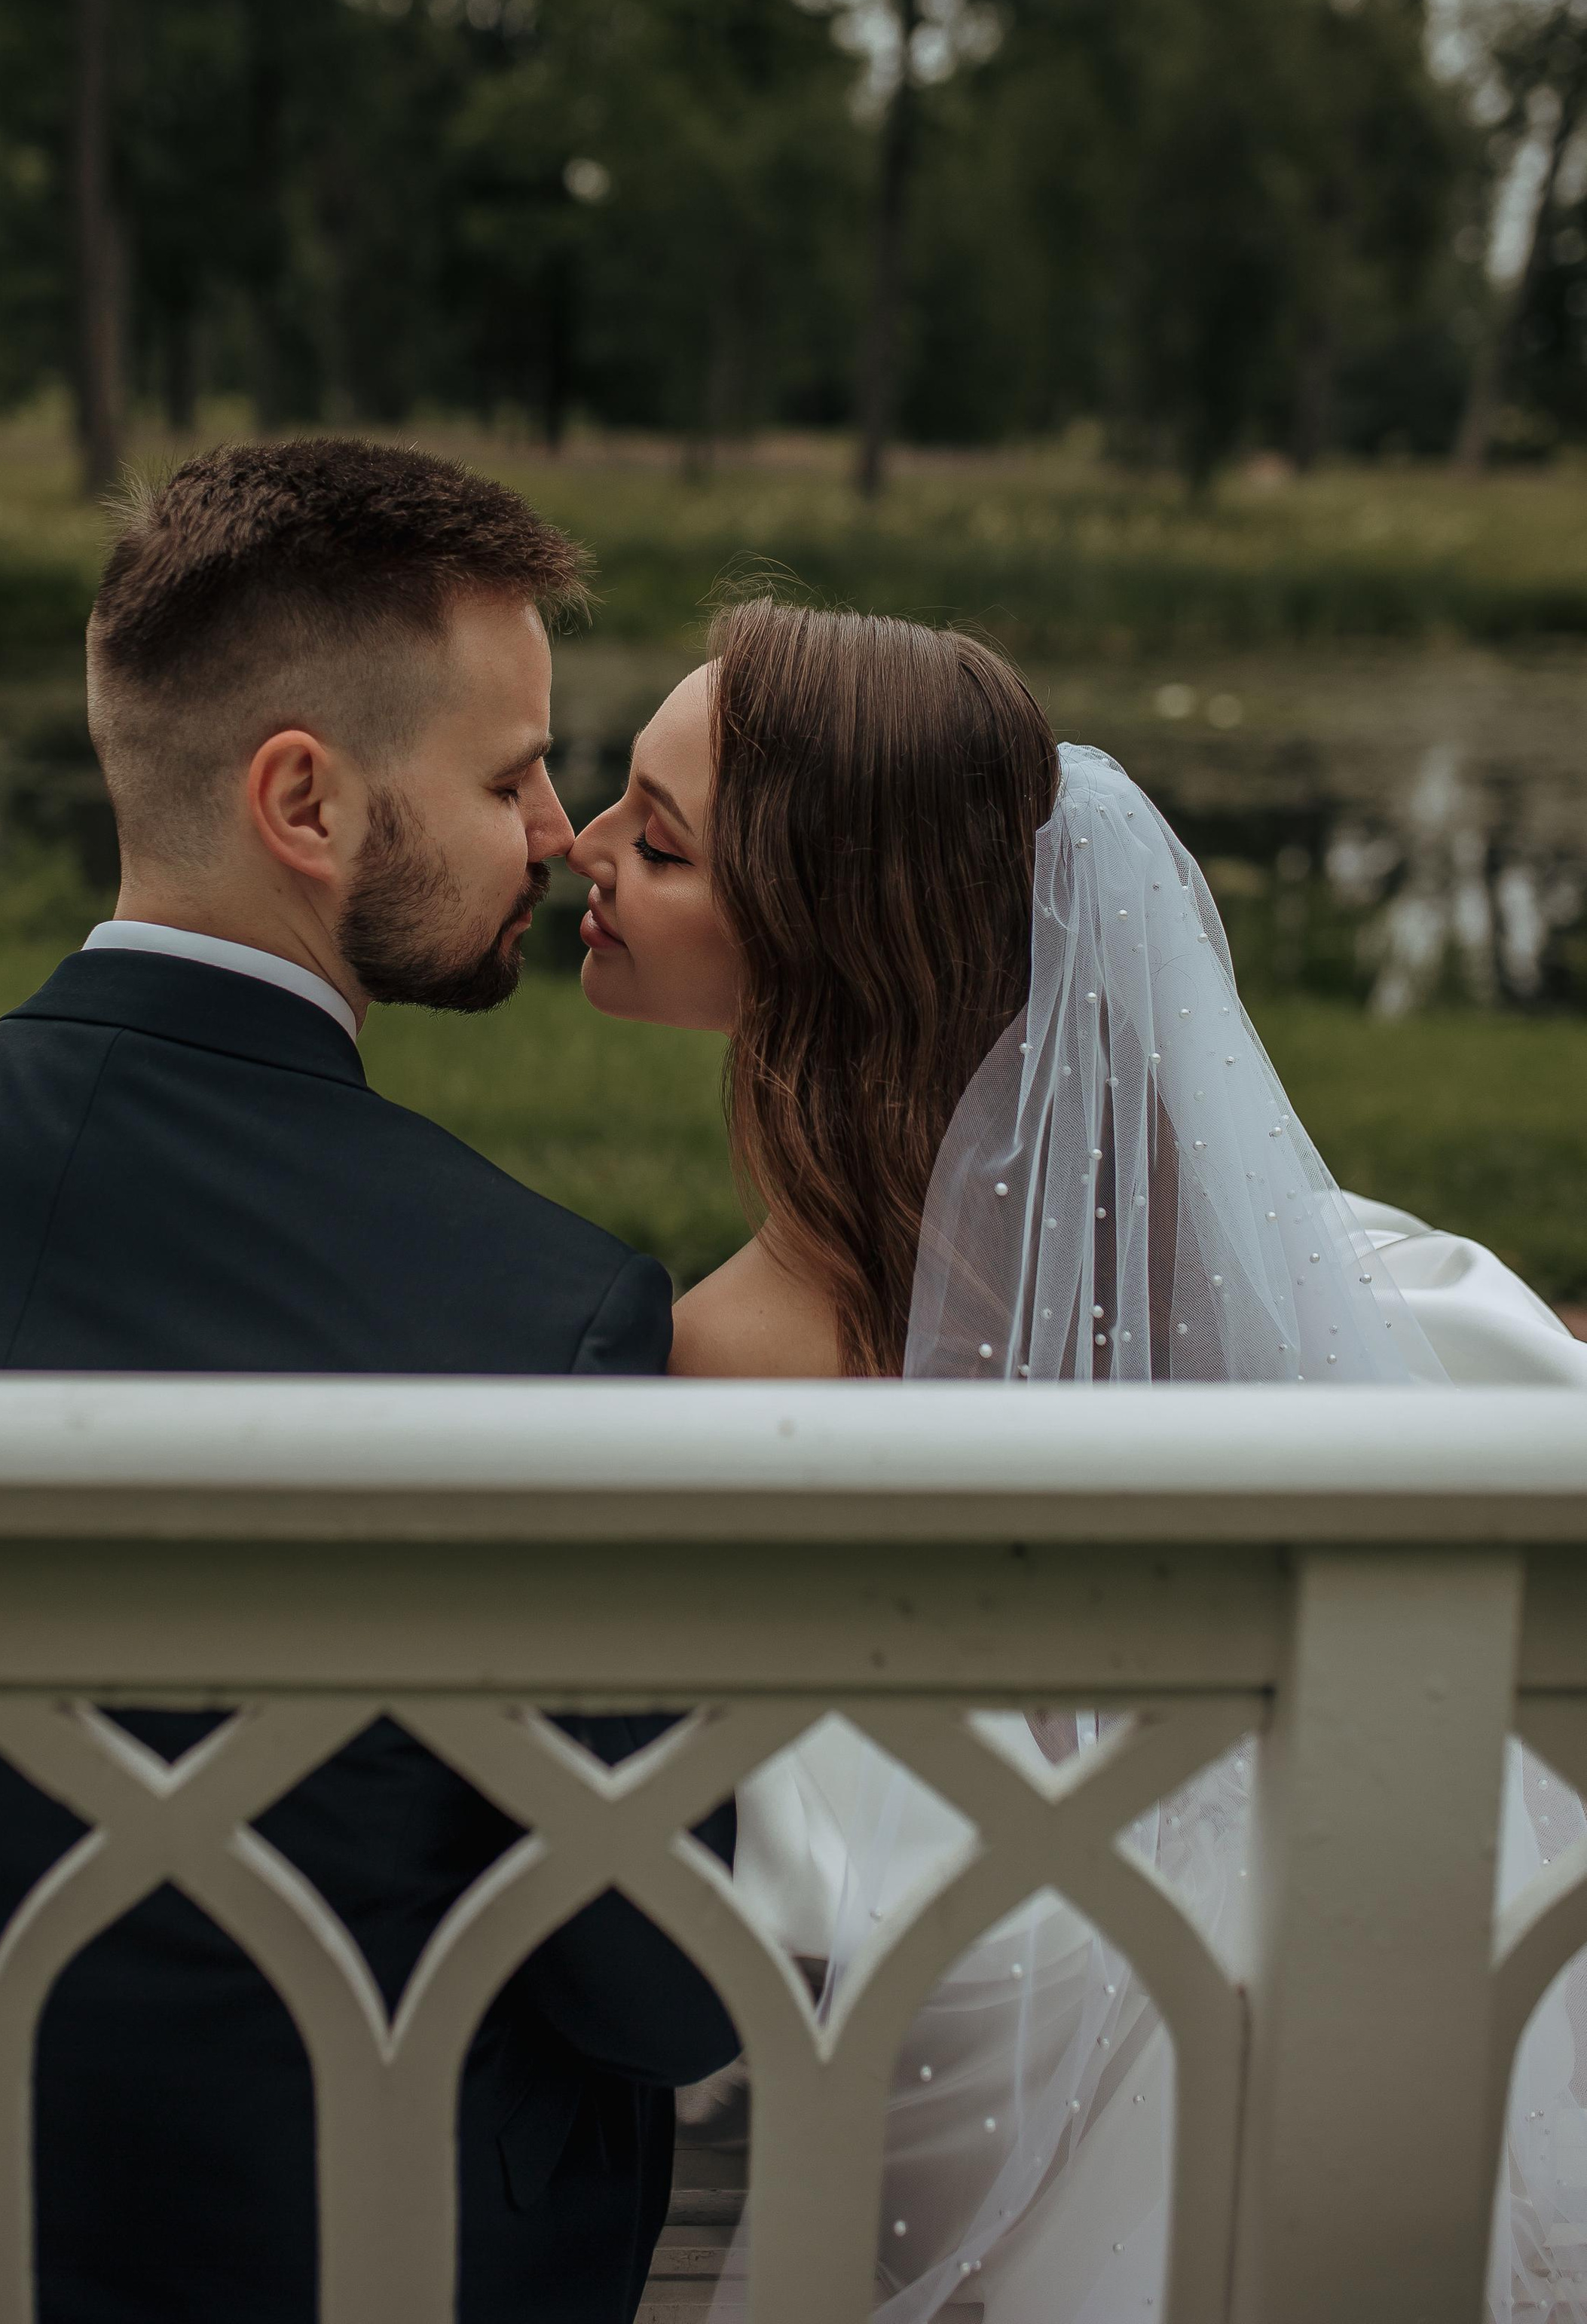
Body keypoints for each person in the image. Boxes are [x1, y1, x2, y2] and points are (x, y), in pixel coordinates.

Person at [0, 437, 736, 2324]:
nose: (557, 831)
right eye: (507, 775)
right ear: (303, 801)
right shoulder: (534, 1313)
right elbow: (656, 1986)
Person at [568, 592, 1587, 2321]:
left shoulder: (694, 1363)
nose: (575, 848)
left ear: (810, 937)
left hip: (952, 2107)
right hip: (1334, 2082)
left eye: (651, 843)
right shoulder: (1313, 1291)